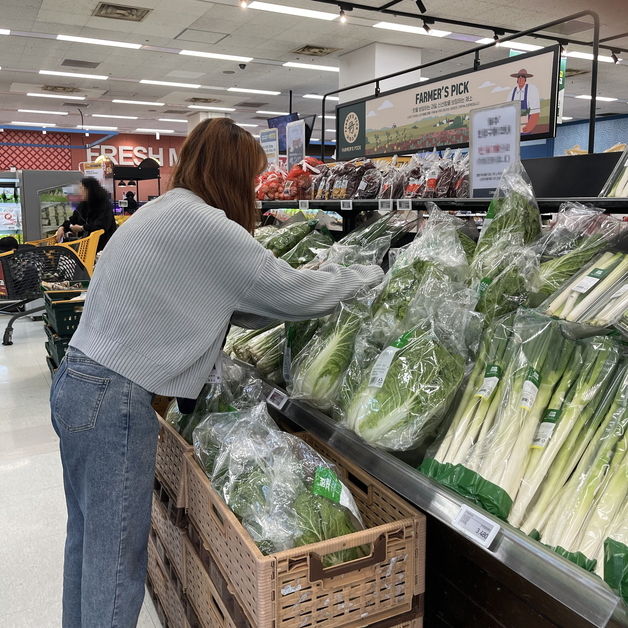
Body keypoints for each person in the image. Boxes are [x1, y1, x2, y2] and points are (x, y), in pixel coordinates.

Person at [49, 118, 384, 628]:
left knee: (88, 541)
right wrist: (372, 273)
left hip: (78, 384)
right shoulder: (209, 226)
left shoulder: (165, 209)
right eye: (250, 179)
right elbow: (292, 294)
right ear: (230, 174)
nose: (251, 190)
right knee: (117, 562)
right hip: (114, 398)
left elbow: (239, 306)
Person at [56, 177, 117, 251]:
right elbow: (73, 220)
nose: (79, 191)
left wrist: (82, 228)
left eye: (82, 188)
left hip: (105, 247)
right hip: (88, 248)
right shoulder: (83, 205)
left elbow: (102, 226)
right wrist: (62, 228)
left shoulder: (104, 205)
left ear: (90, 190)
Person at [506, 68, 540, 134]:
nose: (521, 79)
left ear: (525, 79)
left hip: (526, 128)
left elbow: (535, 112)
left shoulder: (532, 89)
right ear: (517, 79)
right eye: (519, 77)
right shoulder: (512, 92)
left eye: (523, 77)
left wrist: (529, 127)